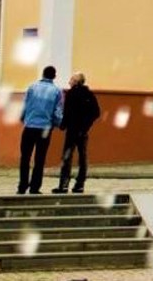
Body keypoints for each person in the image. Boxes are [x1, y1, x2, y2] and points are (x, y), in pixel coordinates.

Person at [18, 65, 63, 194]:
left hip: (29, 127)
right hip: (45, 129)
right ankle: (34, 187)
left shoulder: (32, 87)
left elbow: (25, 105)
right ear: (54, 76)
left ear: (42, 74)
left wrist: (23, 119)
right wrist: (57, 124)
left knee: (25, 157)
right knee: (40, 159)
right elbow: (58, 112)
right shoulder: (57, 91)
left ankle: (22, 186)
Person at [54, 71, 101, 193]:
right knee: (82, 157)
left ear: (76, 81)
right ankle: (80, 184)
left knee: (67, 157)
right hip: (83, 131)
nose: (69, 80)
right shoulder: (89, 94)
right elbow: (96, 112)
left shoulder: (71, 94)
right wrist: (86, 126)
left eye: (72, 78)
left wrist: (63, 125)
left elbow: (68, 112)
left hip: (72, 130)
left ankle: (64, 184)